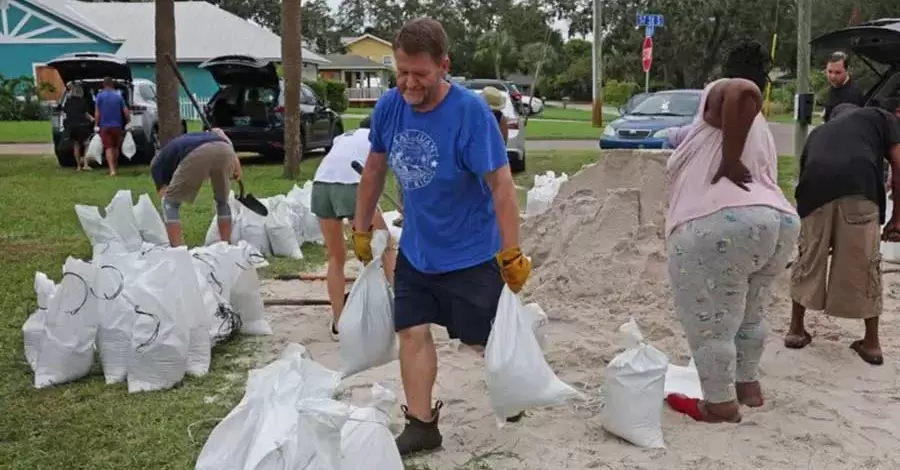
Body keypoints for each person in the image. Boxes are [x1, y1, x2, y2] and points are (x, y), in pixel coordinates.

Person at [350, 17, 532, 456]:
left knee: (481, 340)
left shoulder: (470, 114)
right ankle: (422, 424)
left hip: (471, 254)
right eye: (402, 72)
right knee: (411, 332)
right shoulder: (391, 106)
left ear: (444, 65)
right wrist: (360, 228)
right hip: (417, 249)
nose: (409, 83)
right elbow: (374, 169)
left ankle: (515, 382)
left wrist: (510, 251)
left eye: (420, 74)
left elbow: (503, 187)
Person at [663, 41, 799, 423]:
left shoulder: (725, 88)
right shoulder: (760, 127)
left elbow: (741, 89)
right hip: (777, 222)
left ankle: (719, 403)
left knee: (711, 322)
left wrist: (728, 160)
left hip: (720, 221)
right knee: (751, 314)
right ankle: (747, 387)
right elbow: (697, 134)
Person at [786, 99, 900, 366]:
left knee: (808, 256)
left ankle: (795, 329)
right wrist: (897, 218)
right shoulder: (881, 117)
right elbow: (897, 164)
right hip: (860, 189)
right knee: (866, 263)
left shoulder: (819, 133)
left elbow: (803, 176)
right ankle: (871, 343)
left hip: (814, 191)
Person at [310, 116, 397, 340]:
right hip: (351, 185)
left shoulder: (342, 137)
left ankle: (339, 323)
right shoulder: (378, 138)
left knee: (336, 256)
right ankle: (399, 310)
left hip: (321, 186)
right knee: (386, 245)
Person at [151, 128, 241, 247]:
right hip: (225, 149)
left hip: (197, 152)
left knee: (169, 203)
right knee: (222, 201)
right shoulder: (189, 139)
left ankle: (177, 250)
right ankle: (226, 246)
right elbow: (219, 132)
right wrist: (236, 162)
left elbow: (164, 193)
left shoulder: (156, 167)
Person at [94, 76, 130, 176]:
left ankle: (112, 170)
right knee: (115, 147)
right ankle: (115, 165)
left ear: (104, 85)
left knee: (108, 147)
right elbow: (126, 111)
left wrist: (96, 125)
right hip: (117, 125)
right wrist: (128, 122)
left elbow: (97, 113)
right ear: (112, 84)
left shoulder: (99, 96)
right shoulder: (118, 96)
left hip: (105, 126)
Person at [823, 51, 866, 122]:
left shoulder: (852, 95)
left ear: (847, 70)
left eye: (838, 72)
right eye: (830, 71)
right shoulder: (834, 87)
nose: (833, 76)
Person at [63, 82, 94, 171]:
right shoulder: (83, 101)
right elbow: (86, 114)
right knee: (86, 144)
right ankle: (86, 164)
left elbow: (66, 114)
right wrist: (93, 119)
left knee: (76, 145)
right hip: (82, 126)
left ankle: (78, 166)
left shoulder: (68, 102)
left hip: (72, 126)